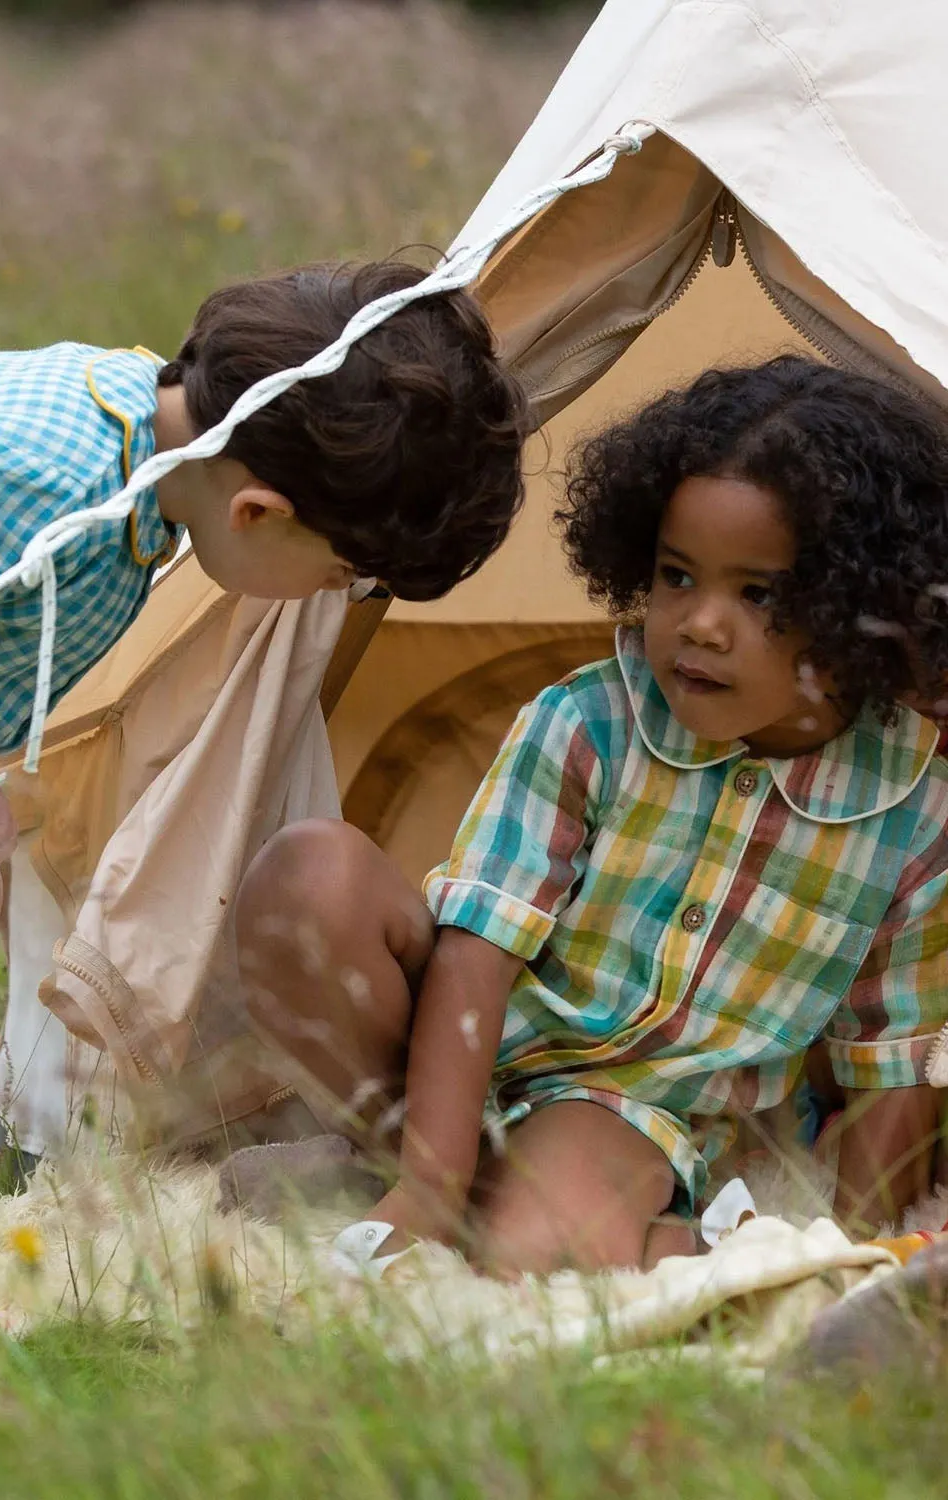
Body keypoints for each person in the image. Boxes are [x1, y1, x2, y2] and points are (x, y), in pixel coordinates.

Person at [0, 258, 529, 1270]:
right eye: (343, 574)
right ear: (257, 512)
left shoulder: (140, 459)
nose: (333, 595)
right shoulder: (45, 477)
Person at [236, 355, 948, 1279]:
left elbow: (890, 1061)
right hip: (469, 1051)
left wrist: (855, 1258)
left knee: (537, 1248)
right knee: (307, 878)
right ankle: (431, 1176)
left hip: (642, 1117)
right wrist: (429, 1182)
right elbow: (478, 947)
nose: (699, 623)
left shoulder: (914, 816)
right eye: (676, 576)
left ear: (858, 605)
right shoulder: (588, 722)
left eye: (758, 594)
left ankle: (649, 1235)